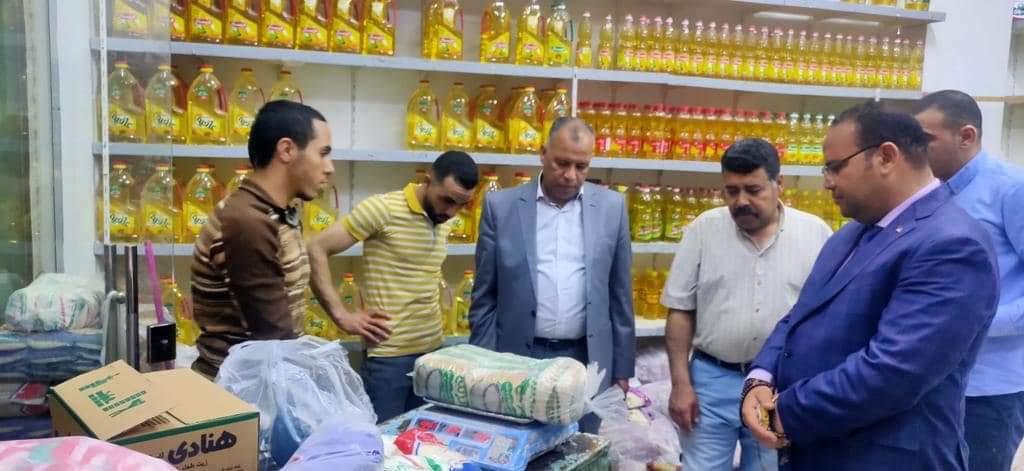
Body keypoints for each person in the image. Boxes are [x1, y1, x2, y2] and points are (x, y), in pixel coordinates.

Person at [740, 101, 1000, 470]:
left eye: (836, 167)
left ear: (886, 157)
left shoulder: (952, 244)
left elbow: (894, 372)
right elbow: (800, 316)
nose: (828, 181)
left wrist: (783, 412)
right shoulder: (848, 235)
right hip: (821, 449)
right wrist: (760, 378)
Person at [662, 138, 832, 471]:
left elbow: (824, 319)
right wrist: (680, 385)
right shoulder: (703, 230)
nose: (741, 201)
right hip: (711, 381)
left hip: (778, 386)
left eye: (753, 190)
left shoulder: (815, 234)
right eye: (731, 191)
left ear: (778, 183)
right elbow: (680, 311)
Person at [469, 117, 635, 431]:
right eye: (562, 163)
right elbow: (485, 296)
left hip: (587, 361)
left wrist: (622, 369)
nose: (571, 175)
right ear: (543, 153)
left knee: (581, 448)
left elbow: (620, 294)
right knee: (518, 442)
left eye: (581, 166)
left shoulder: (612, 208)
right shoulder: (501, 207)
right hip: (517, 358)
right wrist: (484, 360)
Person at [307, 151, 478, 421]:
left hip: (433, 353)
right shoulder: (382, 209)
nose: (451, 212)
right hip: (388, 360)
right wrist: (341, 315)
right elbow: (316, 247)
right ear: (428, 179)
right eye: (447, 200)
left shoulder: (442, 220)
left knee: (422, 441)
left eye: (461, 205)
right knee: (383, 442)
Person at [914, 90, 1024, 471]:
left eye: (926, 139)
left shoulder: (1012, 189)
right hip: (928, 381)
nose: (916, 149)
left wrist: (973, 326)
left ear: (966, 136)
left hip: (990, 387)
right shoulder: (925, 193)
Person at [191, 100, 335, 379]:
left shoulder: (275, 213)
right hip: (239, 390)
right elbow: (273, 335)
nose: (329, 168)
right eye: (322, 153)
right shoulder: (248, 222)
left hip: (261, 381)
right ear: (287, 150)